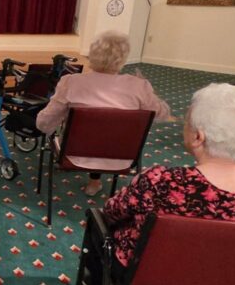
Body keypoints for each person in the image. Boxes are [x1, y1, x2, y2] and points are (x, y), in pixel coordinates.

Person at [84, 83, 235, 285]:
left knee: (98, 221)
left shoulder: (162, 181)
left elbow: (113, 211)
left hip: (148, 279)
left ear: (197, 137)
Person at [36, 31, 172, 196]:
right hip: (122, 158)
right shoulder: (139, 86)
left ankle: (94, 180)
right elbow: (162, 114)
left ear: (91, 54)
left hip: (74, 156)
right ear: (122, 58)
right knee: (108, 132)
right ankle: (95, 182)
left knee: (85, 132)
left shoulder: (71, 82)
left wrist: (48, 129)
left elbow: (44, 123)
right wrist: (151, 94)